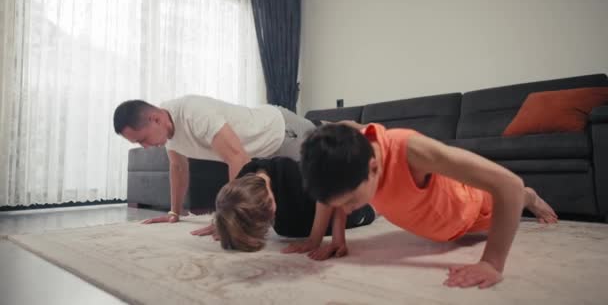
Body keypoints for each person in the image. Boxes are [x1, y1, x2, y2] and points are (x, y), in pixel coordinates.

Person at [288, 123, 558, 289]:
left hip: (468, 210)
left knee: (514, 195)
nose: (346, 211)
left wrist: (491, 263)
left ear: (373, 167)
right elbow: (329, 196)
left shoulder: (412, 151)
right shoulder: (338, 147)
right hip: (430, 223)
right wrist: (319, 238)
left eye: (350, 202)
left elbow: (508, 184)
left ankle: (531, 197)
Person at [113, 95, 315, 224]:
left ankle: (337, 125)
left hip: (281, 131)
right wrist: (175, 212)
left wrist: (227, 218)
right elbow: (178, 168)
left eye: (143, 140)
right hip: (266, 153)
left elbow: (237, 159)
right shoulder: (168, 129)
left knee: (334, 160)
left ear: (156, 119)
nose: (146, 147)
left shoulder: (194, 114)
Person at [192, 156, 376, 254]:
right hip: (298, 220)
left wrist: (315, 240)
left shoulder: (291, 173)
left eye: (271, 211)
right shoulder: (246, 176)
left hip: (345, 207)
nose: (272, 217)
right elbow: (232, 203)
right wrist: (225, 223)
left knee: (371, 209)